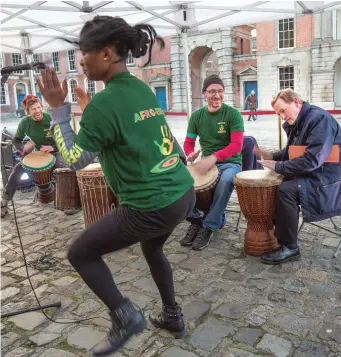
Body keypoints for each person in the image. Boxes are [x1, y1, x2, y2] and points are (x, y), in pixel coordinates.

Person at [36, 16, 195, 357]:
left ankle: (125, 316)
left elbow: (76, 160)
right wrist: (85, 108)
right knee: (152, 250)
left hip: (149, 204)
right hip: (182, 192)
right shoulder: (139, 87)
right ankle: (172, 316)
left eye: (84, 54)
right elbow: (137, 131)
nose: (80, 62)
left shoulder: (105, 104)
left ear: (106, 53)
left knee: (80, 253)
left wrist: (57, 110)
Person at [256, 88, 341, 265]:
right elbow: (292, 153)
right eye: (278, 114)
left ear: (295, 102)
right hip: (314, 173)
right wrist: (272, 156)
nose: (282, 117)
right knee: (274, 182)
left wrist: (280, 166)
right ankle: (278, 232)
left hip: (328, 179)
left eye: (283, 111)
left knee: (286, 190)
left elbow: (311, 159)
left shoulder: (319, 119)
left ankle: (290, 247)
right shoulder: (300, 121)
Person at [181, 74, 244, 250]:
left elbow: (237, 146)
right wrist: (190, 153)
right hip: (207, 163)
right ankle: (195, 220)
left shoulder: (233, 114)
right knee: (182, 181)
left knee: (225, 181)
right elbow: (188, 142)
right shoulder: (196, 116)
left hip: (231, 163)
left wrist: (214, 157)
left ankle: (209, 226)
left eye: (220, 91)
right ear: (204, 94)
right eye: (212, 91)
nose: (217, 95)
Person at [1, 95, 66, 217]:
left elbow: (64, 139)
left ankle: (67, 200)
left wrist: (52, 148)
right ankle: (3, 202)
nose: (37, 111)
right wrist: (23, 148)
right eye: (33, 109)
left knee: (61, 168)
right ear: (28, 112)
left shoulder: (51, 119)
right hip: (39, 152)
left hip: (56, 150)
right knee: (18, 169)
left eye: (39, 107)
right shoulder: (25, 123)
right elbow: (16, 140)